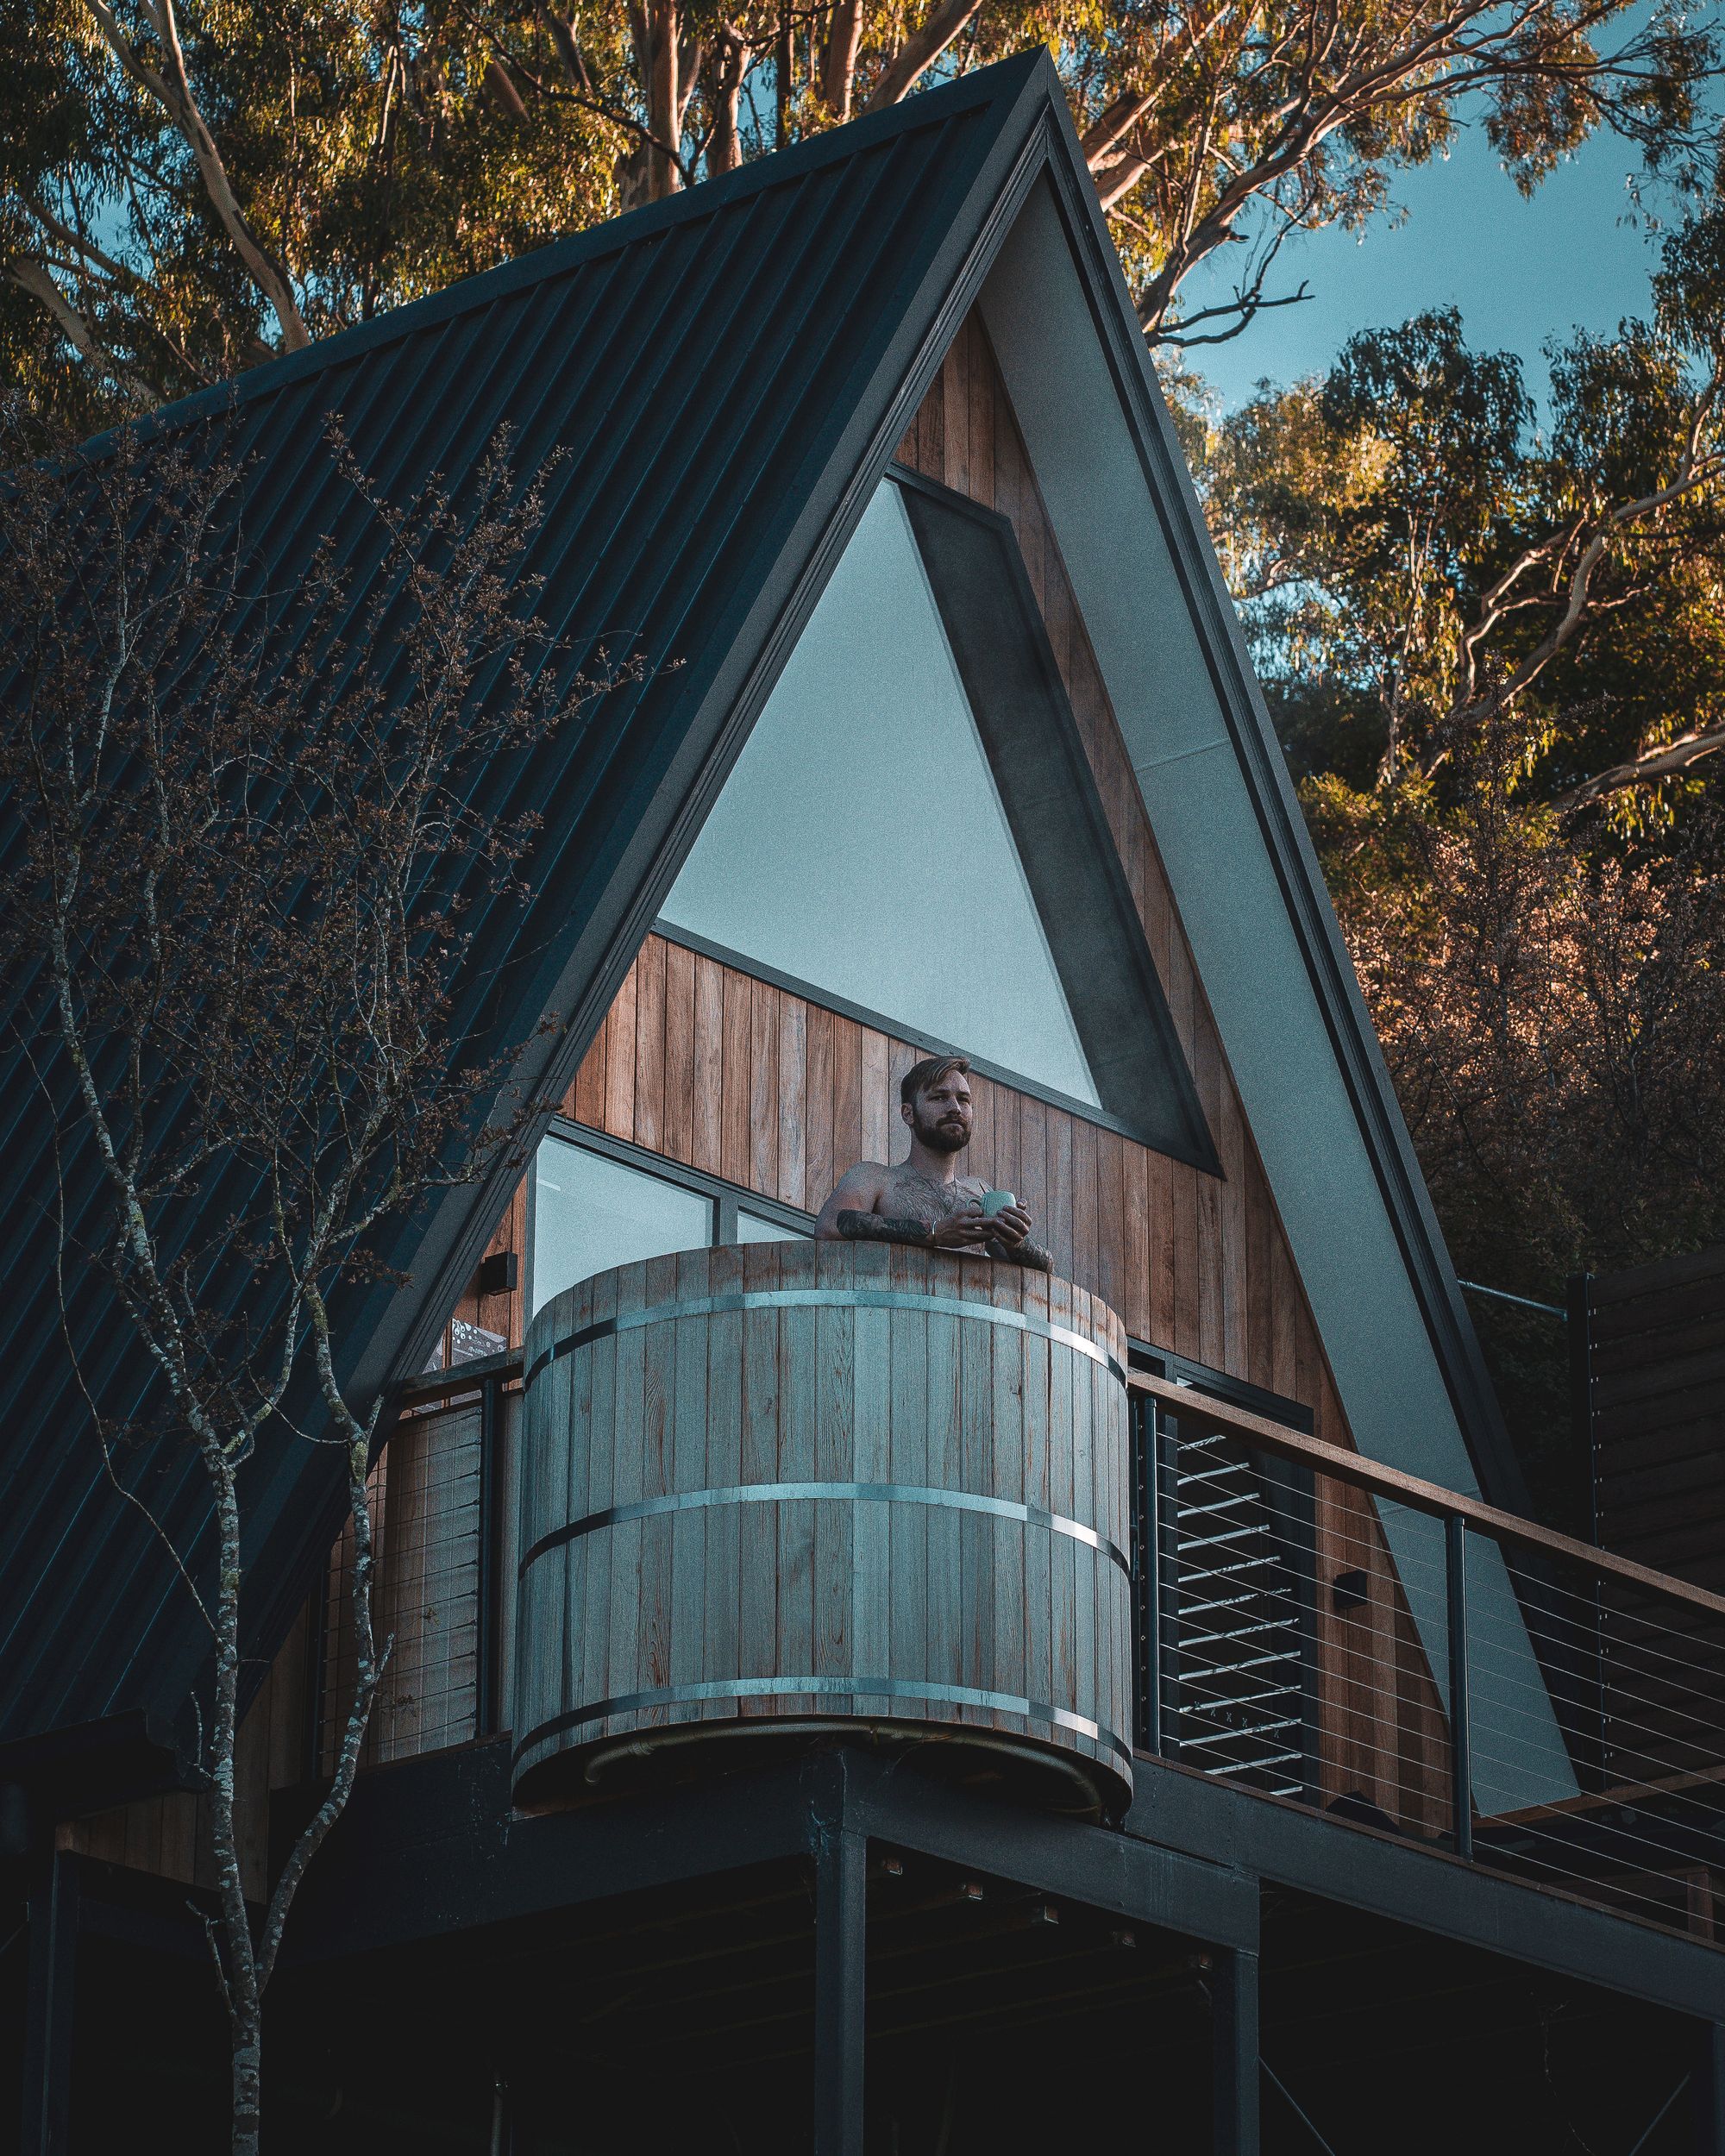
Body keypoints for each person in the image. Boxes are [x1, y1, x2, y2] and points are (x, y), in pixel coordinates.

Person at [813, 1054, 1053, 1271]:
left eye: (964, 1099)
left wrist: (1017, 1242)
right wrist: (936, 1232)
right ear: (908, 1113)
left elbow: (1044, 1268)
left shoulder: (980, 1192)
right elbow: (830, 1225)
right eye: (939, 1097)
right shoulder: (874, 1177)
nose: (955, 1108)